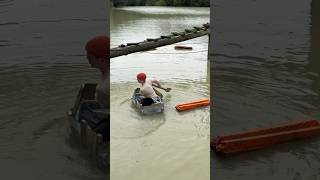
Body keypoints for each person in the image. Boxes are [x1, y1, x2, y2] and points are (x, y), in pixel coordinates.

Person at [83, 36, 109, 142]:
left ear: (100, 60)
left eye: (90, 55)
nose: (87, 57)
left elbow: (104, 109)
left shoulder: (102, 88)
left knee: (89, 135)